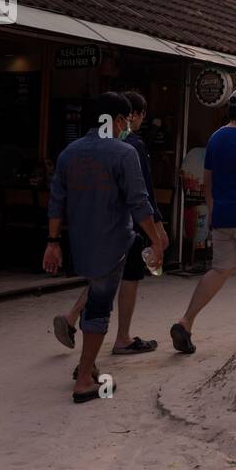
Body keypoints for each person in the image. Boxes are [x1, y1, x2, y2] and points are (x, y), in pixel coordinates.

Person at [44, 92, 163, 403]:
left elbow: (56, 202)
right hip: (114, 242)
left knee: (93, 299)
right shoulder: (124, 153)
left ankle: (89, 363)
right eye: (125, 120)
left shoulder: (69, 153)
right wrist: (155, 238)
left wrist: (52, 242)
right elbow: (139, 202)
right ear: (119, 120)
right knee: (99, 308)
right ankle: (84, 379)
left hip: (79, 243)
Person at [169, 89, 236, 353]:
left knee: (219, 270)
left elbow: (208, 182)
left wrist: (215, 210)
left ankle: (186, 321)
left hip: (222, 217)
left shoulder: (215, 138)